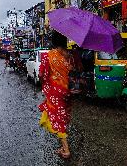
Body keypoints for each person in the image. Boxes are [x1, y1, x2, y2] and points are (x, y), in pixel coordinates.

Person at [38, 31, 72, 159]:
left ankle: (66, 150)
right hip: (67, 92)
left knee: (58, 120)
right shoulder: (69, 55)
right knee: (62, 117)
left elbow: (41, 74)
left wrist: (45, 82)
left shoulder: (49, 56)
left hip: (55, 94)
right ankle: (63, 147)